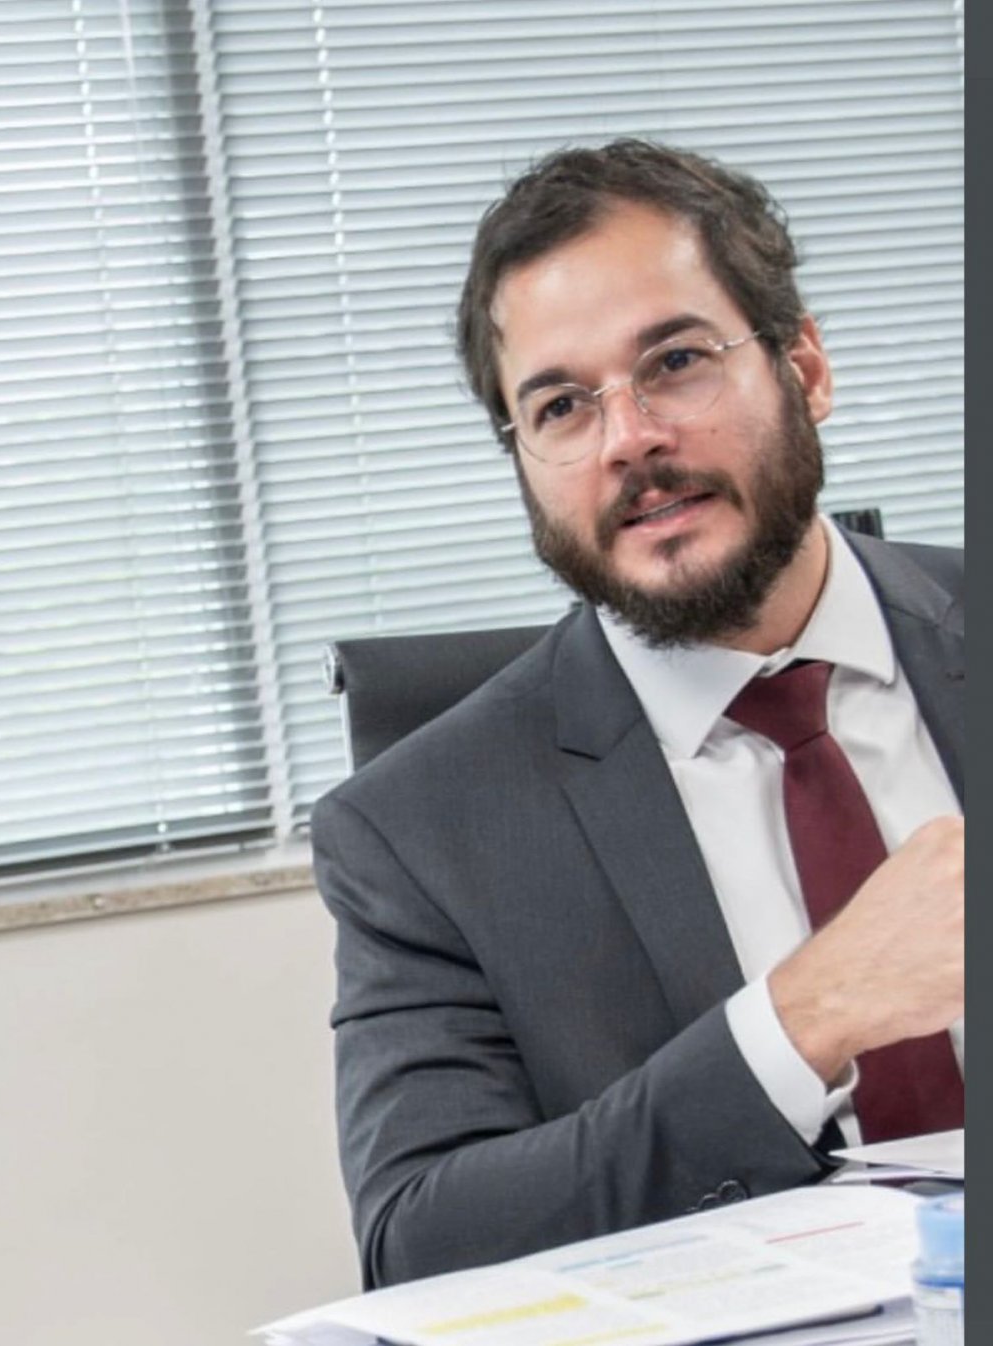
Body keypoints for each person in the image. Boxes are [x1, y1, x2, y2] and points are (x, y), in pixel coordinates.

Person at [312, 139, 964, 1290]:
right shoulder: (417, 830)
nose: (630, 439)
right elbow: (421, 1241)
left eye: (675, 361)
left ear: (805, 368)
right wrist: (804, 1016)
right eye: (562, 404)